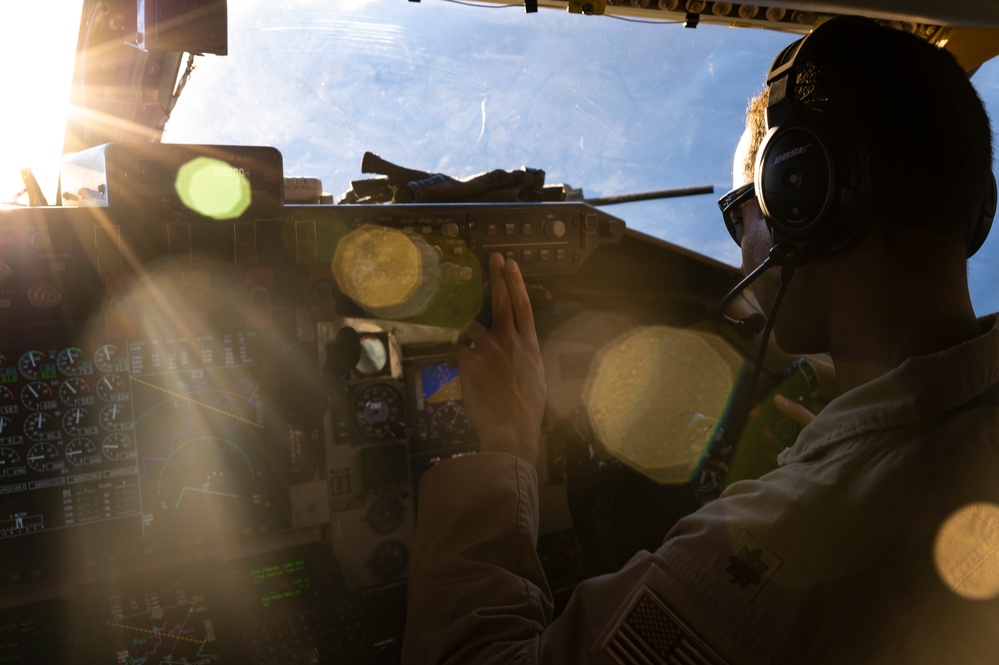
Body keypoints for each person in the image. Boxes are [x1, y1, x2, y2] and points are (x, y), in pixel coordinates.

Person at [402, 16, 999, 664]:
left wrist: (506, 449)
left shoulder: (795, 531)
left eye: (740, 208)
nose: (738, 250)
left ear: (798, 193)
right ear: (977, 208)